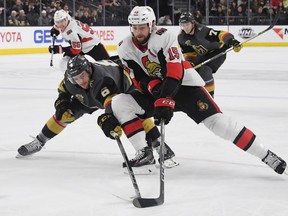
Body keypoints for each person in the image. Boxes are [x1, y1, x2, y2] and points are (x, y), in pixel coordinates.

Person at [97, 6, 287, 175]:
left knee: (220, 125)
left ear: (152, 24)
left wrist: (165, 99)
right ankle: (145, 155)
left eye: (142, 27)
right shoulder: (125, 47)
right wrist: (156, 93)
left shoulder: (165, 36)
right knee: (120, 102)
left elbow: (174, 71)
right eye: (135, 28)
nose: (138, 32)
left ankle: (266, 155)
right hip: (156, 91)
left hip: (184, 84)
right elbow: (138, 78)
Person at [17, 55, 178, 174]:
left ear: (88, 70)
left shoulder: (102, 79)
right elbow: (63, 89)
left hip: (121, 87)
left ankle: (160, 145)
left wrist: (108, 118)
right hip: (90, 97)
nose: (80, 81)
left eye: (82, 77)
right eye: (76, 79)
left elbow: (110, 103)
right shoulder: (70, 79)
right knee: (64, 114)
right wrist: (62, 101)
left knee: (129, 112)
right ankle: (39, 141)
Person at [177, 12, 242, 97]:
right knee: (192, 71)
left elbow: (219, 34)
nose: (185, 28)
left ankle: (210, 97)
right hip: (203, 55)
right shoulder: (182, 37)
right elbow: (188, 52)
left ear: (192, 23)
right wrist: (191, 62)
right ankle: (195, 95)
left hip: (218, 51)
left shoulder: (202, 31)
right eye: (183, 25)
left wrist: (231, 41)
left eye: (187, 24)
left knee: (205, 70)